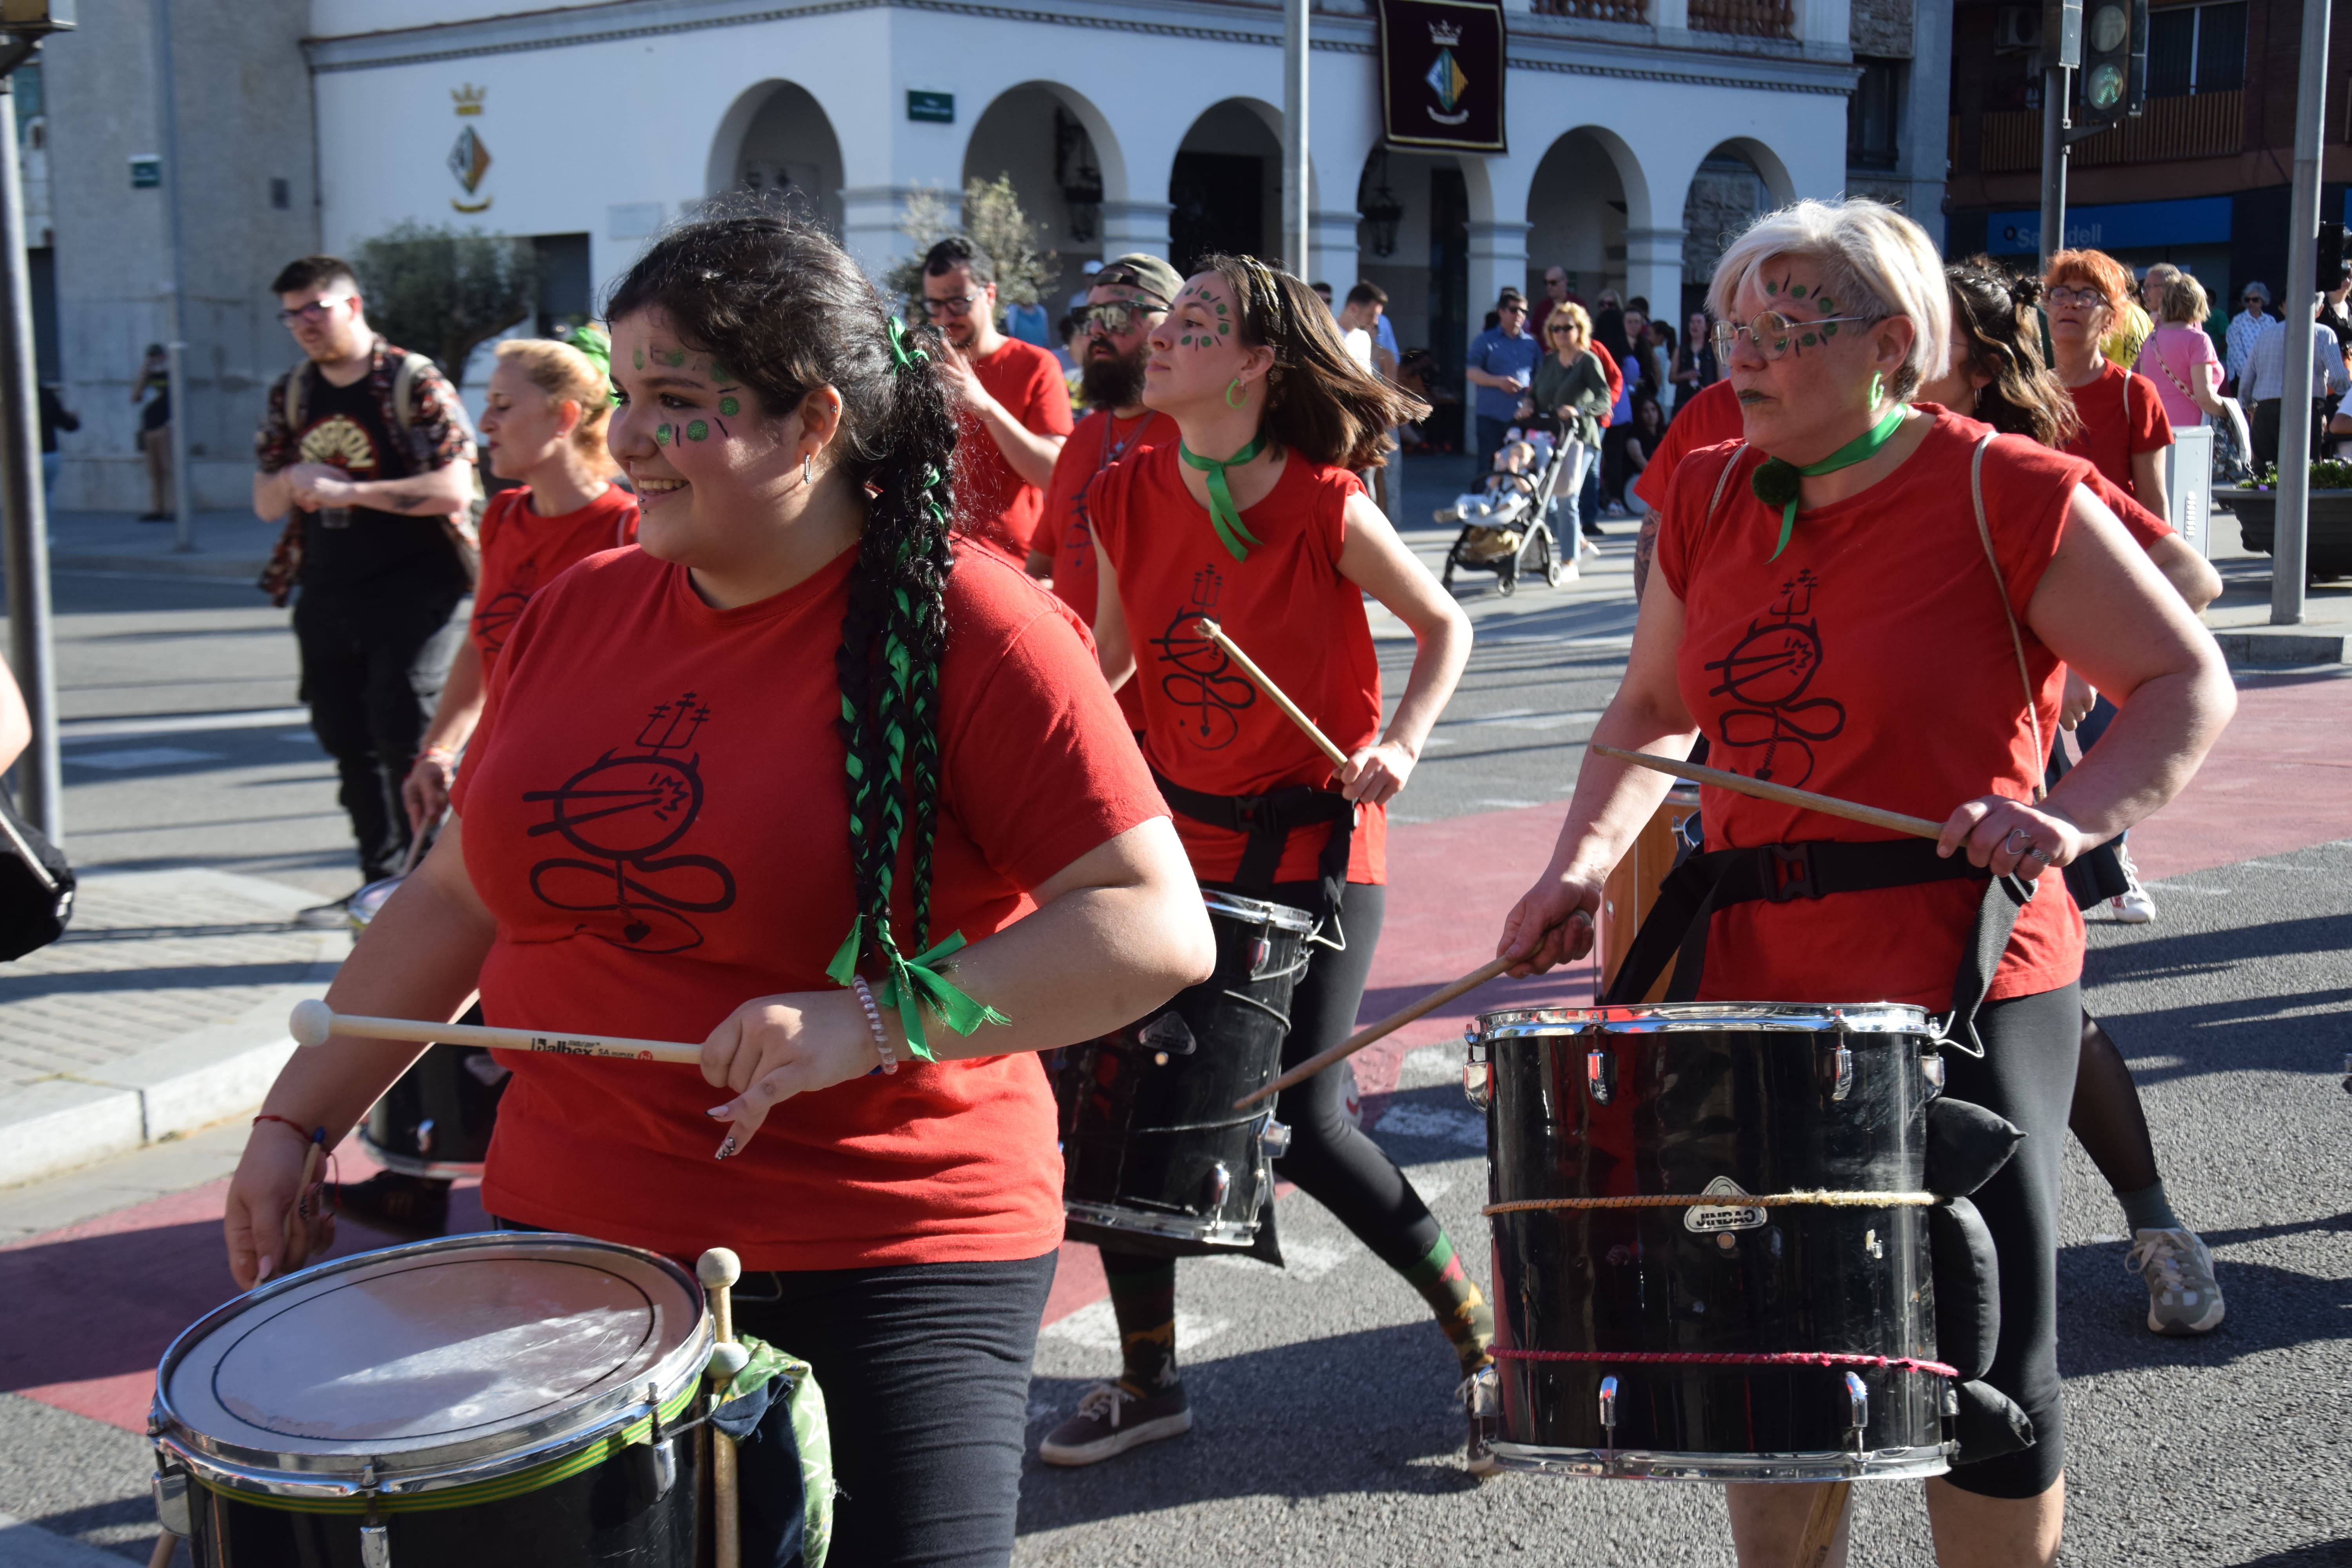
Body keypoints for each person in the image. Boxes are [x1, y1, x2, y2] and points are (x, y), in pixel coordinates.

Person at [223, 209, 1215, 1568]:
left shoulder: (974, 625)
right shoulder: (581, 606)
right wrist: (296, 1122)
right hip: (571, 1242)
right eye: (625, 396)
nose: (628, 438)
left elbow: (1152, 926)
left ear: (812, 423)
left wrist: (866, 1022)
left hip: (887, 1248)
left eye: (678, 401)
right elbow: (461, 896)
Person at [1494, 198, 2234, 1566]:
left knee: (1986, 1346)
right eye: (1731, 327)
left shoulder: (2002, 487)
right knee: (1759, 1345)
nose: (1741, 358)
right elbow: (1652, 706)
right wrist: (1578, 870)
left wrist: (2066, 820)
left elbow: (2188, 679)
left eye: (1786, 329)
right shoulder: (1705, 487)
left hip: (1963, 967)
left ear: (1894, 345)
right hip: (1750, 971)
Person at [1051, 253, 1480, 1471]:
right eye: (1167, 317)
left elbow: (1445, 624)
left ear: (1253, 364)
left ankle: (1481, 1337)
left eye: (1199, 321)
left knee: (1304, 1114)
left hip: (1313, 846)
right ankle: (1148, 1383)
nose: (1166, 333)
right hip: (1173, 848)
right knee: (1120, 1094)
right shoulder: (1126, 489)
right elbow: (1115, 665)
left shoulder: (1324, 501)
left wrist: (1395, 741)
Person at [1920, 258, 2227, 1338]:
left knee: (2046, 1015)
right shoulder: (1851, 470)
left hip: (2014, 786)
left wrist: (2070, 705)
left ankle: (2157, 1229)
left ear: (1971, 358)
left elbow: (2190, 583)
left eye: (1915, 333)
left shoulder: (2021, 470)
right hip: (1885, 805)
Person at [323, 331, 641, 1236]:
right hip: (488, 792)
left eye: (502, 405)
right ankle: (421, 1168)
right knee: (443, 963)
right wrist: (441, 744)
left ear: (565, 418)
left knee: (532, 990)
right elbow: (483, 641)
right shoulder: (503, 519)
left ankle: (533, 1184)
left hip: (573, 814)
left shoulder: (626, 529)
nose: (484, 421)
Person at [252, 255, 477, 922]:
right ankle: (374, 883)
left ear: (352, 305)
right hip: (326, 585)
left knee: (404, 729)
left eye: (315, 308)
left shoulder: (411, 380)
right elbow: (266, 501)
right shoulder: (292, 392)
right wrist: (293, 479)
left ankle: (429, 889)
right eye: (291, 314)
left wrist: (351, 491)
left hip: (415, 586)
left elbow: (453, 490)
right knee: (346, 737)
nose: (303, 325)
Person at [1031, 251, 1181, 719]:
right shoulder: (1084, 435)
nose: (1097, 330)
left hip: (1164, 718)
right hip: (1077, 694)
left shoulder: (1194, 435)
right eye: (1089, 316)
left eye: (1117, 315)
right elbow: (1043, 562)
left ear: (1170, 327)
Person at [917, 236, 1073, 569]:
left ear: (989, 295)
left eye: (958, 302)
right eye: (934, 305)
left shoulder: (1036, 365)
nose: (945, 316)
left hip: (1008, 566)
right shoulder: (923, 368)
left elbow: (1055, 475)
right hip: (932, 562)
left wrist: (985, 406)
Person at [2044, 249, 2173, 520]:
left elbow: (2153, 503)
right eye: (2061, 293)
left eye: (2088, 296)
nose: (2071, 304)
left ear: (2111, 320)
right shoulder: (2028, 391)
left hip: (2110, 554)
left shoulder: (2135, 394)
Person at [1629, 374, 1744, 600]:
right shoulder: (1704, 411)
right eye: (1732, 337)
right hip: (1712, 617)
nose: (1742, 353)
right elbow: (1653, 531)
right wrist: (1654, 631)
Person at [1529, 301, 1611, 555]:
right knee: (1544, 498)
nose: (1561, 333)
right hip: (1552, 436)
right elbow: (1534, 394)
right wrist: (1526, 404)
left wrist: (1579, 410)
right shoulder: (1550, 360)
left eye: (1567, 327)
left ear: (1580, 329)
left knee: (1567, 498)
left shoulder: (1588, 361)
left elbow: (1604, 399)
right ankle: (1579, 542)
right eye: (1556, 328)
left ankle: (1569, 562)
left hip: (1581, 438)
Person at [2239, 290, 2351, 474]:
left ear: (2285, 307)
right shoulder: (2324, 334)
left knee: (2264, 477)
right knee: (2305, 473)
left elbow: (2246, 382)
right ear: (2320, 309)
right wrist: (2343, 394)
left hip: (2266, 411)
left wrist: (2251, 408)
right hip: (2306, 409)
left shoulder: (2265, 335)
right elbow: (2339, 378)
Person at [2134, 273, 2232, 433]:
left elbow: (2145, 389)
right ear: (2197, 304)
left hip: (2155, 427)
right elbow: (2205, 398)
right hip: (2191, 430)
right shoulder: (2198, 340)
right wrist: (2230, 414)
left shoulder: (2150, 340)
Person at [1465, 288, 1540, 470]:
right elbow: (1471, 372)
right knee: (1488, 465)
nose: (1520, 315)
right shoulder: (1485, 341)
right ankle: (1481, 498)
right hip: (1491, 415)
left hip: (1521, 417)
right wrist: (1499, 382)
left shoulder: (1531, 344)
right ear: (1501, 312)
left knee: (1519, 466)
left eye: (1524, 311)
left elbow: (1540, 377)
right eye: (1514, 310)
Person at [132, 343, 172, 521]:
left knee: (168, 469)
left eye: (157, 356)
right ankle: (158, 510)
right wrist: (145, 373)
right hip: (149, 428)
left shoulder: (171, 375)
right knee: (154, 472)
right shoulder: (148, 377)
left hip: (165, 427)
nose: (154, 360)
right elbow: (135, 398)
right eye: (151, 357)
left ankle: (175, 509)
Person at [2223, 280, 2272, 396]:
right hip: (2243, 379)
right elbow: (2236, 354)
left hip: (2267, 379)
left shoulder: (2271, 321)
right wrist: (2252, 377)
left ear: (2263, 300)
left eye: (2255, 300)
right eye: (2247, 300)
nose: (2251, 303)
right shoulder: (2238, 322)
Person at [1619, 393, 1667, 508]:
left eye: (1653, 410)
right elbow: (1638, 458)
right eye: (1646, 411)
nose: (1651, 414)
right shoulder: (1634, 435)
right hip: (1638, 481)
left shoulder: (1665, 433)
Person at [1669, 309, 1719, 410]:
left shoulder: (1714, 351)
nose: (1695, 325)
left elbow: (1720, 379)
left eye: (1699, 322)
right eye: (1692, 322)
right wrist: (1685, 376)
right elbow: (1671, 378)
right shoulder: (1680, 350)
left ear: (1706, 327)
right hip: (1684, 401)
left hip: (1706, 401)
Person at [38, 383, 78, 499]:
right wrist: (72, 419)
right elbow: (68, 424)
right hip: (49, 454)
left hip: (23, 456)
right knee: (46, 494)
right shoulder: (45, 394)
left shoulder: (9, 396)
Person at [1532, 264, 1572, 339]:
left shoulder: (1577, 305)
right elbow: (1535, 335)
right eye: (1546, 283)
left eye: (1553, 283)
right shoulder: (1542, 307)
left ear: (1565, 282)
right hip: (1545, 350)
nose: (1549, 287)